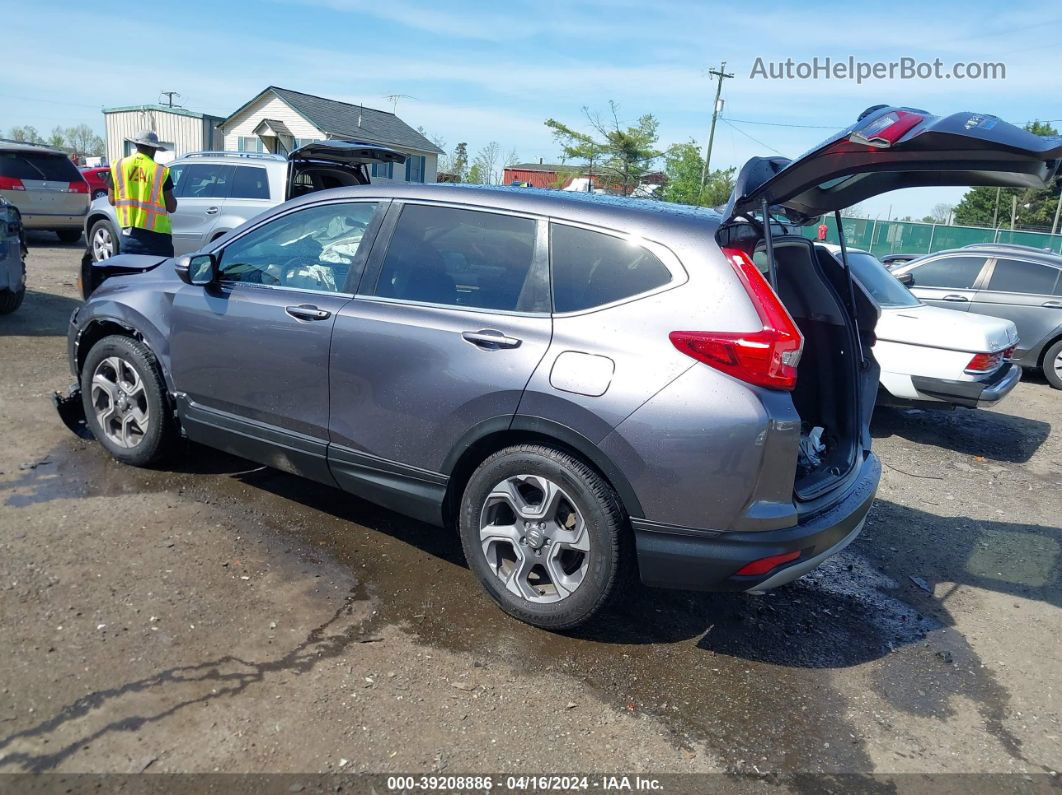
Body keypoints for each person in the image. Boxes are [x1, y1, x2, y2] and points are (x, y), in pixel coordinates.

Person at [108, 131, 177, 256]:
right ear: (153, 149)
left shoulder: (118, 166)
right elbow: (172, 207)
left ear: (137, 146)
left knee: (131, 274)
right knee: (159, 274)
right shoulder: (160, 171)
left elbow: (112, 199)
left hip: (129, 236)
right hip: (157, 238)